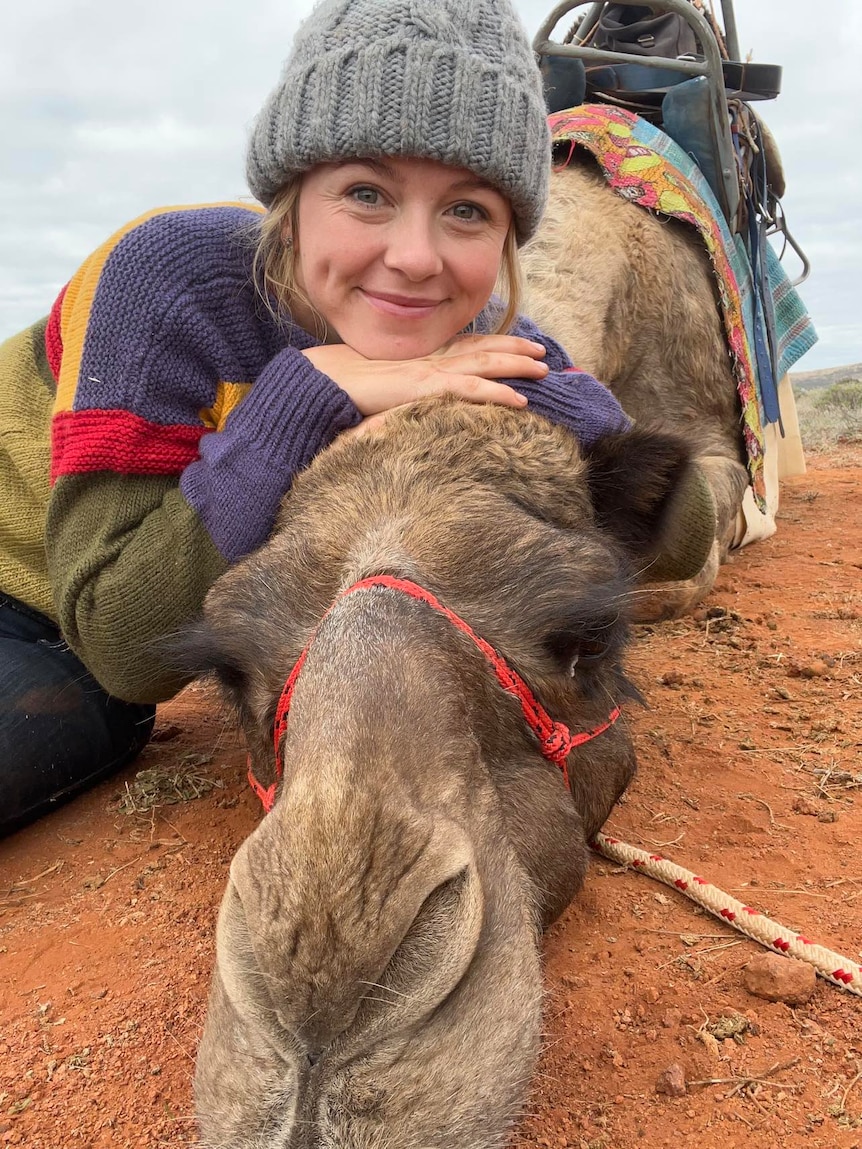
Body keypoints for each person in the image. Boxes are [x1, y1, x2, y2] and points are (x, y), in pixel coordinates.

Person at [0, 0, 711, 837]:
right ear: (292, 197)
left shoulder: (481, 342)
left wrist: (543, 391)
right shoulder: (166, 284)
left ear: (509, 239)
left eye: (468, 210)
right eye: (367, 193)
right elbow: (119, 643)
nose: (414, 257)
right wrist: (302, 401)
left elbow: (685, 528)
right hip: (39, 606)